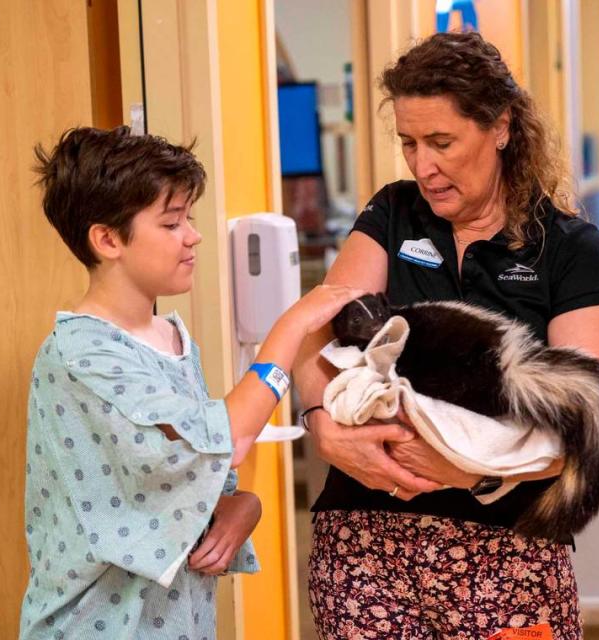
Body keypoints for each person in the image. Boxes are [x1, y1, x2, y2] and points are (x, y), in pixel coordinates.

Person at [294, 32, 599, 639]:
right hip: (366, 543)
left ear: (499, 127)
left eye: (441, 142)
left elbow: (588, 419)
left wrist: (475, 475)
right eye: (409, 144)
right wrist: (322, 423)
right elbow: (316, 333)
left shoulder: (568, 248)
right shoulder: (391, 214)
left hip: (509, 553)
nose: (423, 166)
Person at [19, 126, 362, 638]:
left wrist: (245, 507)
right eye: (172, 223)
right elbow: (231, 436)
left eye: (189, 219)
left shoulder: (173, 339)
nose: (193, 236)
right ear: (107, 239)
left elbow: (202, 472)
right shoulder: (80, 354)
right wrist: (290, 328)